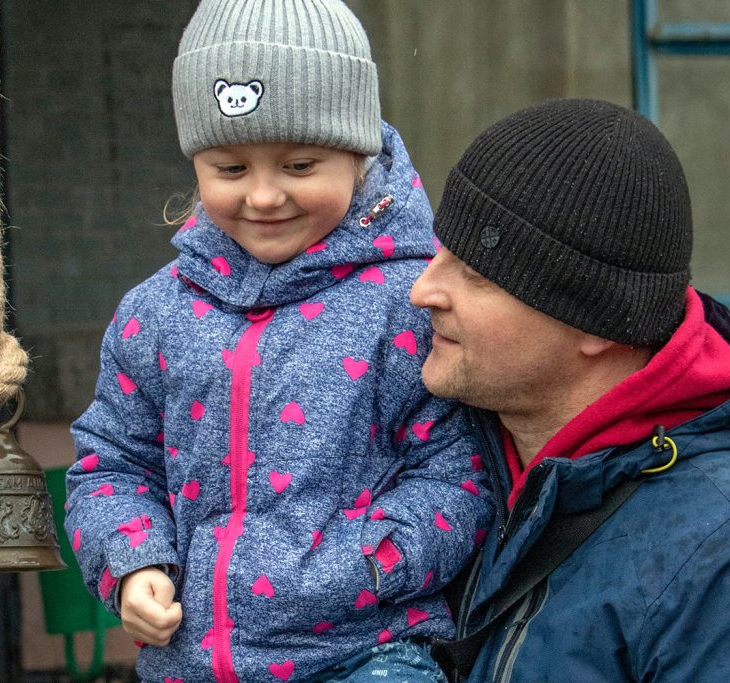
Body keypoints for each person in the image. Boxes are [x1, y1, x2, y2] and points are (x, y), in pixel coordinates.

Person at [65, 1, 493, 682]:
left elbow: (459, 468)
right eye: (230, 169)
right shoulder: (153, 314)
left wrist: (380, 562)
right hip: (191, 663)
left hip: (369, 651)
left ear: (359, 155)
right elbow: (113, 463)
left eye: (299, 164)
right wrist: (133, 559)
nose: (264, 196)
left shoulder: (412, 300)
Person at [410, 98, 730, 682]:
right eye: (440, 249)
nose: (423, 289)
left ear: (596, 325)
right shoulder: (440, 453)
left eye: (476, 274)